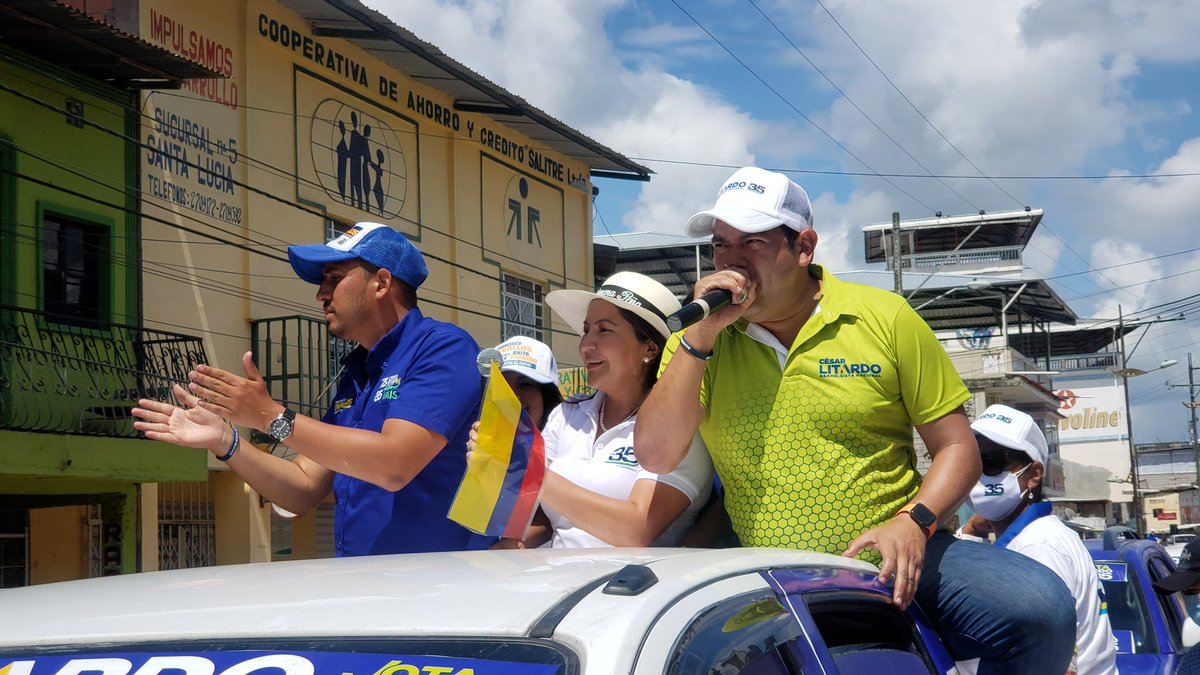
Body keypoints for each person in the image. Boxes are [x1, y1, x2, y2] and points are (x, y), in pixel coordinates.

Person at [635, 166, 1075, 673]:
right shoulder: (699, 343)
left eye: (751, 243)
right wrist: (701, 335)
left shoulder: (885, 317)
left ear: (803, 248)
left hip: (892, 560)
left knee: (1040, 608)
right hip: (760, 570)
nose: (730, 261)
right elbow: (655, 454)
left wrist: (914, 523)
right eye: (720, 245)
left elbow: (958, 448)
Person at [133, 222, 490, 556]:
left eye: (334, 279)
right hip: (367, 598)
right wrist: (226, 442)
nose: (321, 293)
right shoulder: (357, 372)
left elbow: (394, 465)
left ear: (381, 283)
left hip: (436, 598)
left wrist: (270, 416)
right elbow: (303, 486)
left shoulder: (444, 348)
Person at [503, 271, 713, 549]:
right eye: (586, 329)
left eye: (604, 330)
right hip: (556, 584)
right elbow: (543, 518)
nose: (585, 345)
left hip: (638, 590)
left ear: (650, 349)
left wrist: (529, 469)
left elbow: (636, 531)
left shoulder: (676, 432)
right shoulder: (566, 416)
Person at [959, 404, 1118, 675]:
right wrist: (971, 533)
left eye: (993, 462)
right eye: (972, 462)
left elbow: (1059, 665)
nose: (980, 474)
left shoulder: (1037, 547)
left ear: (1033, 475)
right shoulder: (1038, 537)